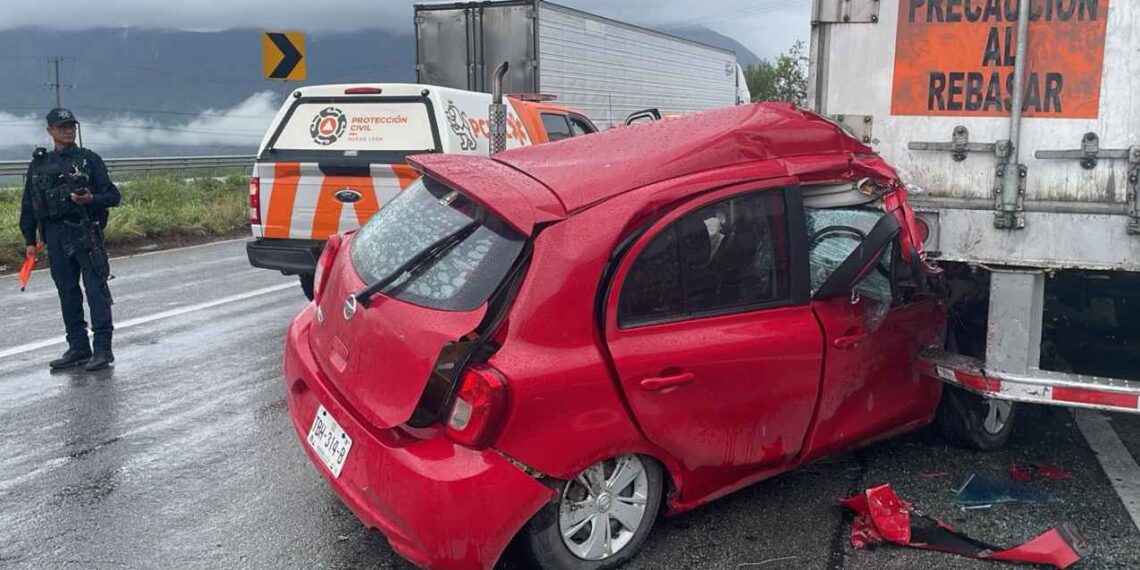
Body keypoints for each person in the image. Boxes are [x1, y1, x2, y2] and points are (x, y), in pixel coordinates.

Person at [19, 108, 121, 371]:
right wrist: (30, 240)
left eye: (71, 126)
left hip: (84, 232)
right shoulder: (39, 164)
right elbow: (29, 205)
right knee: (67, 292)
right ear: (50, 130)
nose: (67, 130)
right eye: (62, 126)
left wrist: (90, 199)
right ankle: (78, 347)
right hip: (54, 235)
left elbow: (113, 196)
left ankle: (102, 350)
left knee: (95, 291)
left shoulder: (89, 160)